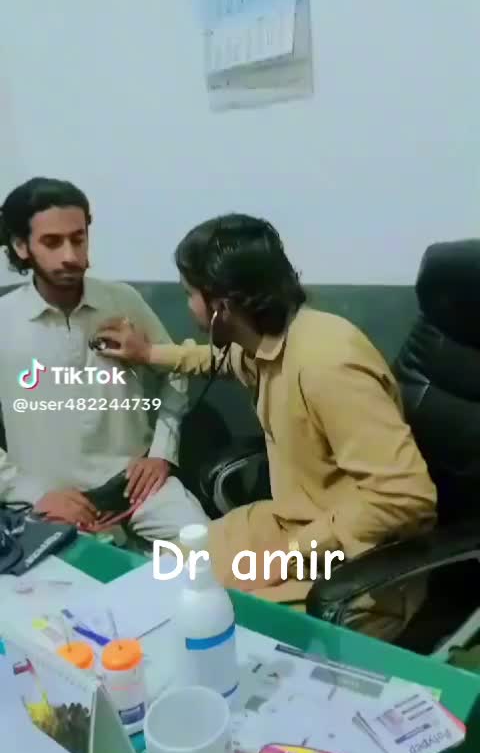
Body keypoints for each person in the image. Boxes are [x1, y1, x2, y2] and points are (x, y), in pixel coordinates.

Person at [96, 213, 437, 640]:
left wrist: (289, 556)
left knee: (210, 620)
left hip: (358, 559)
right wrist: (149, 354)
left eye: (189, 294)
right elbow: (218, 360)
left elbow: (406, 493)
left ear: (220, 307)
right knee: (166, 578)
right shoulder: (265, 339)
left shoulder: (327, 363)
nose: (187, 305)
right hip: (292, 522)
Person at [0, 177, 208, 542]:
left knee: (205, 547)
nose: (70, 255)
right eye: (52, 242)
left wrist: (162, 453)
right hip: (51, 502)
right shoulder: (4, 318)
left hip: (138, 485)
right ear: (21, 246)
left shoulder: (121, 300)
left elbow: (174, 372)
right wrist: (32, 493)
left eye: (78, 238)